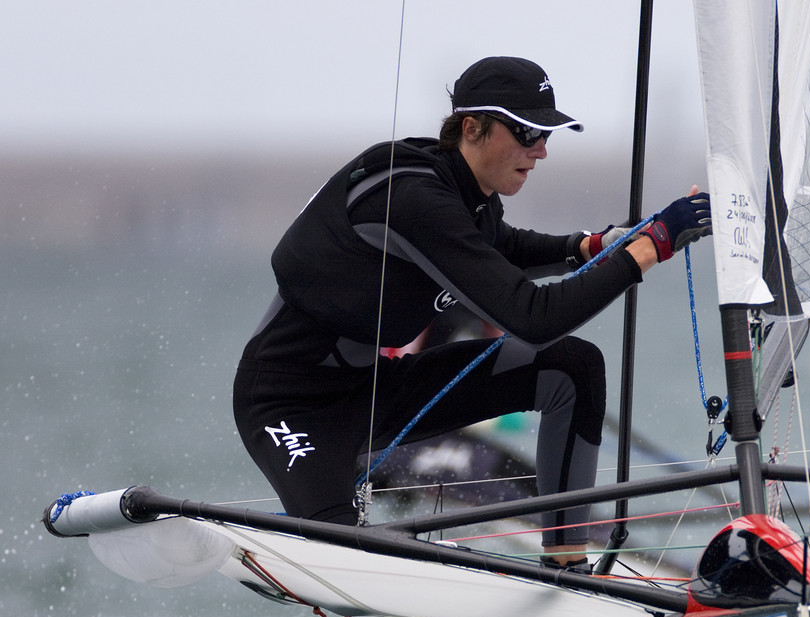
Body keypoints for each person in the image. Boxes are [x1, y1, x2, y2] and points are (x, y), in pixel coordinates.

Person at [233, 55, 709, 570]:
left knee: (571, 368)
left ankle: (568, 565)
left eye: (548, 135)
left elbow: (500, 246)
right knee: (343, 559)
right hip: (289, 402)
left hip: (377, 390)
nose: (542, 150)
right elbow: (534, 316)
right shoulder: (414, 198)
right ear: (472, 127)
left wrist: (593, 245)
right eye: (528, 134)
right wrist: (650, 249)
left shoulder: (466, 192)